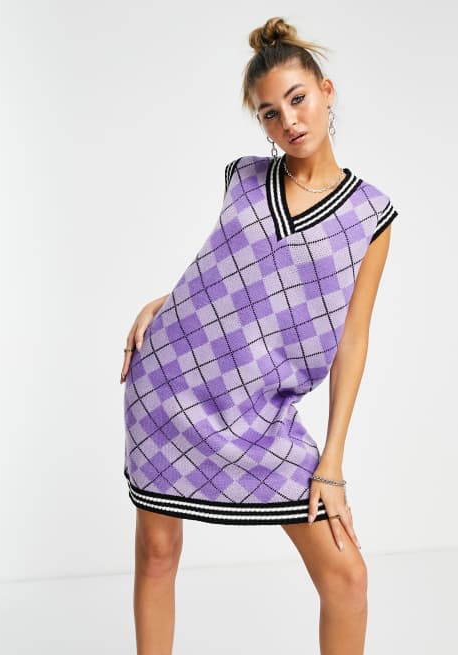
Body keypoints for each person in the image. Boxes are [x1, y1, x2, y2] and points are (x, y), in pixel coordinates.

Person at [120, 16, 398, 655]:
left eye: (297, 99)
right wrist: (163, 303)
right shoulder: (243, 178)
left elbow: (352, 340)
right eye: (270, 113)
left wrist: (331, 462)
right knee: (158, 553)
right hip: (168, 388)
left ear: (326, 91)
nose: (289, 121)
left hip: (262, 416)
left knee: (347, 578)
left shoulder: (370, 215)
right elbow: (227, 270)